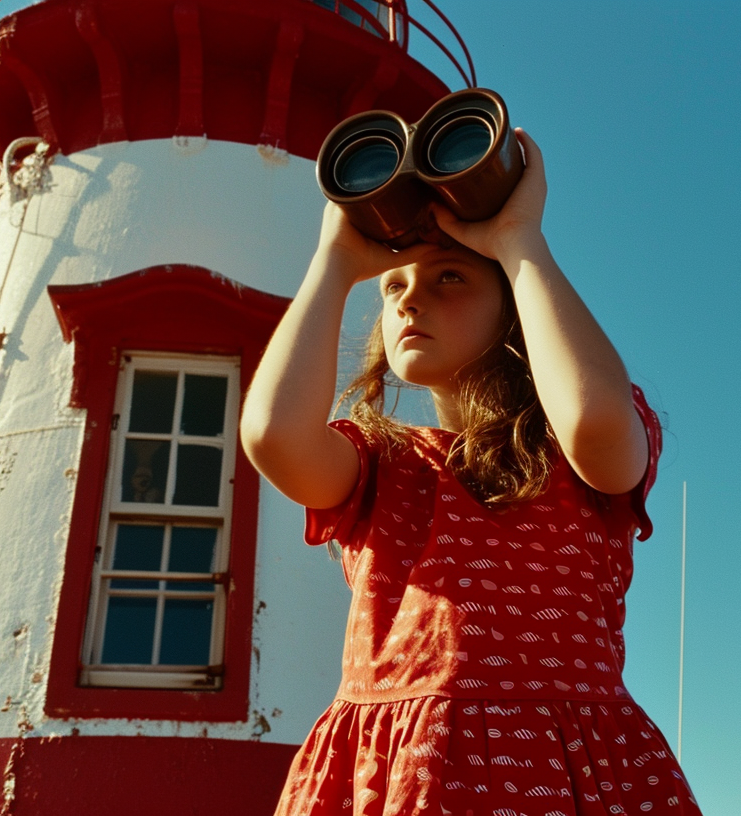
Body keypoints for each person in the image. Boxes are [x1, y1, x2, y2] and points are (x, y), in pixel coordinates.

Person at [241, 129, 702, 816]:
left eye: (449, 277)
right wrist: (334, 263)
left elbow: (594, 426)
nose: (407, 299)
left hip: (564, 772)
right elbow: (274, 435)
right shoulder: (381, 466)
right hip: (401, 773)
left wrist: (521, 243)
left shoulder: (572, 454)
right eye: (395, 283)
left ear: (517, 311)